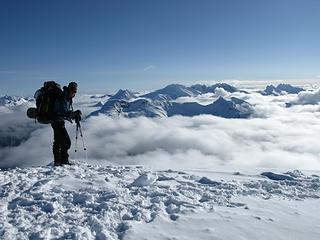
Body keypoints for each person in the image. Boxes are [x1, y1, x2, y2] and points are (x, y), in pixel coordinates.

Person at [51, 82, 82, 166]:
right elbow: (63, 111)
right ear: (70, 90)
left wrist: (74, 115)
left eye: (75, 91)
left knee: (60, 141)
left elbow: (65, 112)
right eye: (73, 91)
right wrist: (73, 114)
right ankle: (60, 161)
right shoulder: (63, 97)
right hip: (56, 120)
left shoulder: (67, 97)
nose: (74, 93)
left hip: (58, 120)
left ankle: (61, 161)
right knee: (64, 141)